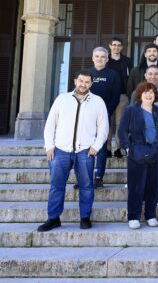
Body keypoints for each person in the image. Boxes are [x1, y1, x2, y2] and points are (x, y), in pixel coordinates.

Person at [38, 70, 109, 232]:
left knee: (86, 186)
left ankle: (85, 217)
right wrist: (49, 145)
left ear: (91, 84)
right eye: (81, 81)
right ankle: (53, 218)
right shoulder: (62, 99)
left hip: (85, 151)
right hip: (60, 150)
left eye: (87, 82)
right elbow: (50, 124)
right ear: (75, 80)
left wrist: (96, 147)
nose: (83, 84)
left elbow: (103, 128)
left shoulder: (98, 102)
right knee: (56, 185)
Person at [118, 82, 158, 229]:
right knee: (136, 187)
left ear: (155, 95)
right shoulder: (131, 110)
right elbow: (122, 130)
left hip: (154, 152)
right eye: (145, 92)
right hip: (137, 153)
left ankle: (151, 215)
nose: (149, 95)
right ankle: (134, 216)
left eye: (151, 92)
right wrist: (127, 148)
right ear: (140, 94)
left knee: (153, 186)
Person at [88, 47, 121, 189]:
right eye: (97, 56)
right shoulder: (86, 73)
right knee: (85, 148)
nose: (99, 59)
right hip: (86, 118)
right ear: (92, 58)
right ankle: (84, 177)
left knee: (101, 148)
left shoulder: (113, 75)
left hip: (104, 117)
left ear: (107, 59)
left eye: (103, 57)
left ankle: (98, 177)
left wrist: (107, 113)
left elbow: (115, 96)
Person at [107, 37, 133, 158]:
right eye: (114, 45)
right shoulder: (105, 60)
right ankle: (107, 148)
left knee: (120, 123)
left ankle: (119, 148)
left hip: (122, 95)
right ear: (110, 46)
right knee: (107, 122)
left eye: (119, 45)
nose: (116, 47)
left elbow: (130, 78)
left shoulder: (127, 61)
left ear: (122, 47)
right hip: (107, 96)